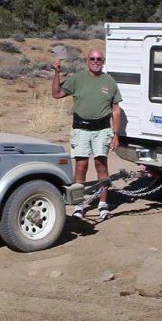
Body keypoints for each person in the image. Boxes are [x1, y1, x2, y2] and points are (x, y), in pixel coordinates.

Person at [52, 48, 122, 220]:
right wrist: (56, 72)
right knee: (81, 167)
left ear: (103, 61)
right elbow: (57, 94)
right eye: (93, 58)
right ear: (87, 60)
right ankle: (78, 205)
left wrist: (116, 134)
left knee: (101, 166)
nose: (96, 61)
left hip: (102, 130)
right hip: (81, 129)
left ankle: (103, 205)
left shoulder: (109, 82)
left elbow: (115, 109)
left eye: (99, 59)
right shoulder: (77, 79)